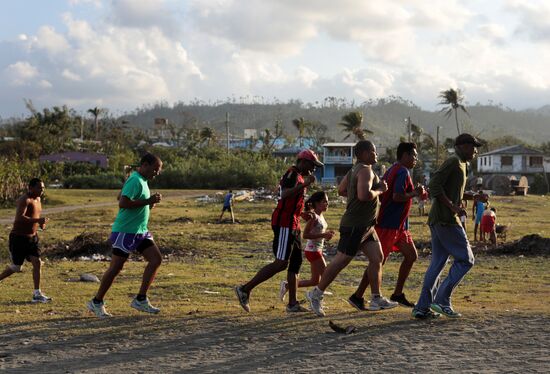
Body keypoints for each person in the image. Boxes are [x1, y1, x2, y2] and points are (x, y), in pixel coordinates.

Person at [306, 140, 397, 317]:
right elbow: (364, 195)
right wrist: (380, 190)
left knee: (377, 258)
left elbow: (341, 190)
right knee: (341, 260)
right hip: (355, 224)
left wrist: (355, 196)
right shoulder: (365, 170)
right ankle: (315, 294)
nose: (376, 154)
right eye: (373, 151)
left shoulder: (353, 170)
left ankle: (376, 298)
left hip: (367, 226)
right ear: (363, 153)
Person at [235, 149, 323, 313]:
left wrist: (302, 213)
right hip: (284, 224)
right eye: (312, 165)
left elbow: (291, 200)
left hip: (293, 224)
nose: (313, 169)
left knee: (295, 264)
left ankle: (293, 304)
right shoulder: (292, 174)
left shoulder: (299, 176)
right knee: (281, 263)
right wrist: (304, 184)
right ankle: (245, 289)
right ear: (303, 162)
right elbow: (284, 194)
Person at [412, 133, 486, 319]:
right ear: (461, 146)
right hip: (446, 220)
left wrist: (472, 197)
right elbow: (435, 186)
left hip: (440, 219)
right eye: (473, 146)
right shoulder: (453, 161)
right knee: (466, 259)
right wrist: (453, 207)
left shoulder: (463, 164)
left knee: (438, 263)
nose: (475, 150)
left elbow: (452, 191)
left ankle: (422, 307)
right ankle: (442, 300)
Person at [347, 142, 424, 311]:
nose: (415, 159)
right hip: (389, 224)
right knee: (378, 261)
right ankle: (358, 295)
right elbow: (397, 196)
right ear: (404, 155)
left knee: (411, 256)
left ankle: (397, 294)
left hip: (400, 225)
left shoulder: (393, 169)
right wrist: (415, 193)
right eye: (413, 155)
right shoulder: (402, 171)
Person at [87, 153, 163, 317]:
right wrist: (148, 201)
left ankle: (141, 299)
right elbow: (123, 202)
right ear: (144, 165)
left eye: (158, 170)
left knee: (156, 259)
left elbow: (121, 196)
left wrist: (149, 204)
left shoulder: (141, 181)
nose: (156, 173)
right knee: (116, 268)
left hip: (140, 231)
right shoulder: (136, 180)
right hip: (126, 231)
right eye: (155, 169)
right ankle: (96, 302)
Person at [0, 178, 51, 303]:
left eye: (43, 188)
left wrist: (41, 224)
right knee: (17, 267)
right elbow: (19, 218)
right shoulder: (25, 199)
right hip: (18, 238)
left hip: (32, 237)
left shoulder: (38, 200)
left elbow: (36, 216)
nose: (42, 190)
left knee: (37, 262)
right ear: (31, 188)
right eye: (39, 188)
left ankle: (37, 294)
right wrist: (38, 221)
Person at [278, 191, 334, 301]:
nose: (327, 204)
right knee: (326, 276)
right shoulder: (313, 217)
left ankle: (287, 286)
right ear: (317, 203)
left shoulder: (319, 216)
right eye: (325, 202)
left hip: (316, 249)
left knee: (315, 281)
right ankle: (315, 298)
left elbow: (317, 232)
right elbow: (306, 235)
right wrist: (324, 234)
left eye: (327, 202)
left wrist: (326, 234)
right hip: (313, 250)